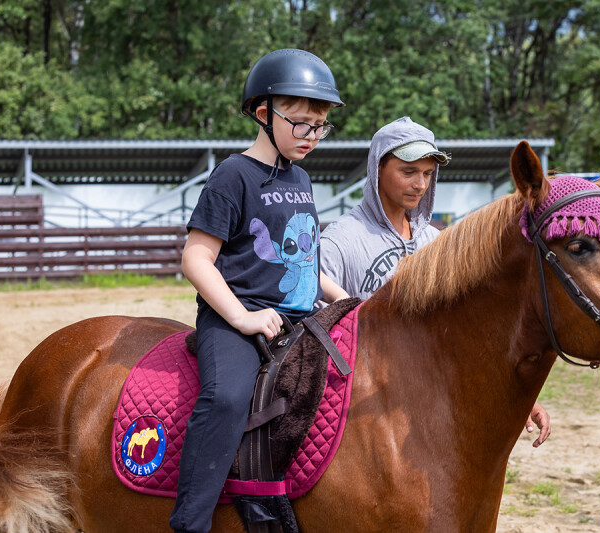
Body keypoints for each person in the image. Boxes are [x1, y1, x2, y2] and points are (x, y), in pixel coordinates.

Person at [170, 49, 349, 533]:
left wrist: (345, 300)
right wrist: (241, 318)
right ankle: (191, 521)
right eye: (303, 124)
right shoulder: (232, 174)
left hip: (297, 318)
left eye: (321, 126)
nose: (313, 136)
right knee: (226, 398)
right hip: (236, 319)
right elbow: (196, 257)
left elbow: (305, 262)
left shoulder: (302, 178)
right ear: (265, 114)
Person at [320, 116, 551, 446]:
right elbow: (314, 332)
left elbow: (462, 331)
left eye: (428, 173)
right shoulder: (340, 240)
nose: (420, 184)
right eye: (408, 171)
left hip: (432, 411)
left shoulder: (435, 242)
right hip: (364, 420)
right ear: (377, 171)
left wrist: (524, 399)